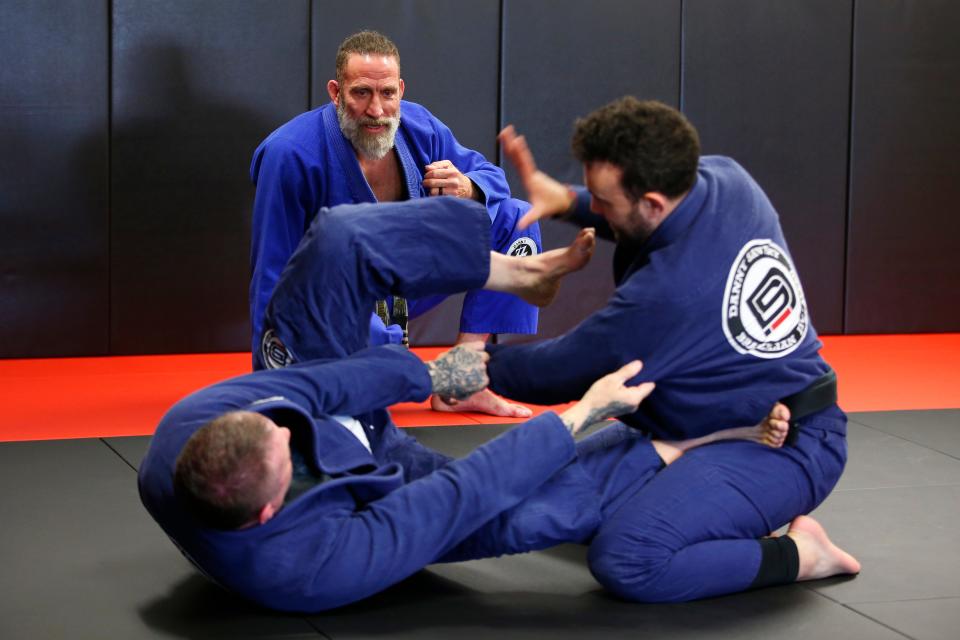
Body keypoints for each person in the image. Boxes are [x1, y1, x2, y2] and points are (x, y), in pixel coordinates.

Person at [139, 196, 788, 613]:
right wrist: (581, 413)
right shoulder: (305, 569)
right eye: (289, 446)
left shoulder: (193, 423)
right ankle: (678, 438)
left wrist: (430, 378)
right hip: (378, 492)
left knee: (339, 241)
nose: (290, 429)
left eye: (277, 427)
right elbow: (461, 494)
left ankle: (513, 273)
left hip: (330, 416)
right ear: (273, 508)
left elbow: (323, 388)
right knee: (531, 510)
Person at [487, 97, 860, 603]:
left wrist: (470, 365)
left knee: (628, 557)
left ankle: (802, 555)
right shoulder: (726, 180)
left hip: (784, 445)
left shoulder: (665, 297)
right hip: (696, 426)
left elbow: (553, 373)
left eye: (601, 201)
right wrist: (567, 199)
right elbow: (634, 213)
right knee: (532, 488)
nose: (592, 208)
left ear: (654, 203)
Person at [249, 29, 538, 417]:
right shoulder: (290, 155)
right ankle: (384, 364)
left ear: (400, 90)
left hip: (408, 283)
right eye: (361, 93)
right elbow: (272, 273)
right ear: (336, 93)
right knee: (357, 389)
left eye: (387, 93)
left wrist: (468, 186)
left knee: (518, 218)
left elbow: (493, 179)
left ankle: (464, 380)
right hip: (339, 302)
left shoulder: (420, 127)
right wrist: (273, 378)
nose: (376, 110)